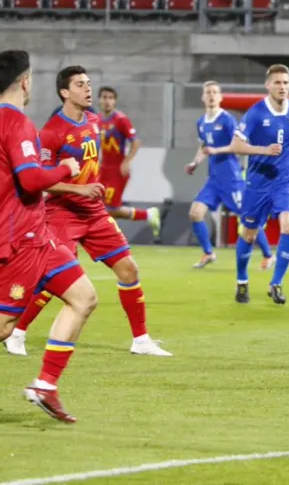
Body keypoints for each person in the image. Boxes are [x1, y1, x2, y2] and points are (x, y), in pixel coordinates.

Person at [5, 66, 172, 358]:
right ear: (64, 92)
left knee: (129, 269)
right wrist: (77, 189)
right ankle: (17, 333)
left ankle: (141, 339)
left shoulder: (94, 121)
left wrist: (92, 187)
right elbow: (40, 182)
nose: (88, 89)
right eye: (80, 84)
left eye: (89, 83)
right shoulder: (51, 132)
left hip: (94, 212)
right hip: (61, 213)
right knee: (51, 279)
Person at [0, 50, 99, 423]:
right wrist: (63, 168)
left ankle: (45, 385)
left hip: (39, 235)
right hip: (19, 239)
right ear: (24, 82)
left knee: (84, 297)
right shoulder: (17, 122)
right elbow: (30, 178)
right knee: (5, 326)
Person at [226, 64, 289, 305]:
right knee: (249, 234)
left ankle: (276, 283)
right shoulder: (255, 113)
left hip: (285, 181)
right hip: (257, 183)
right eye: (278, 83)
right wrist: (264, 150)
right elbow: (236, 146)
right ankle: (242, 281)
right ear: (268, 85)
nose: (282, 87)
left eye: (286, 83)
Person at [185, 81, 274, 270]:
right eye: (208, 92)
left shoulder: (226, 120)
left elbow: (236, 146)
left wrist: (216, 151)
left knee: (248, 218)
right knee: (195, 213)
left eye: (215, 92)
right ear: (203, 96)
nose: (211, 95)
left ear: (220, 96)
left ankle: (268, 255)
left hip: (231, 179)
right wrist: (195, 163)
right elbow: (203, 146)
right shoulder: (201, 122)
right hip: (213, 180)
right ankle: (208, 253)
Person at [97, 86, 161, 241]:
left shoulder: (120, 120)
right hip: (102, 170)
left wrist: (126, 161)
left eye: (111, 98)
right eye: (104, 97)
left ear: (115, 101)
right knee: (99, 208)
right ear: (99, 100)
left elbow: (136, 142)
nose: (107, 101)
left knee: (110, 209)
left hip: (117, 171)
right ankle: (147, 215)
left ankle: (147, 215)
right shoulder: (97, 119)